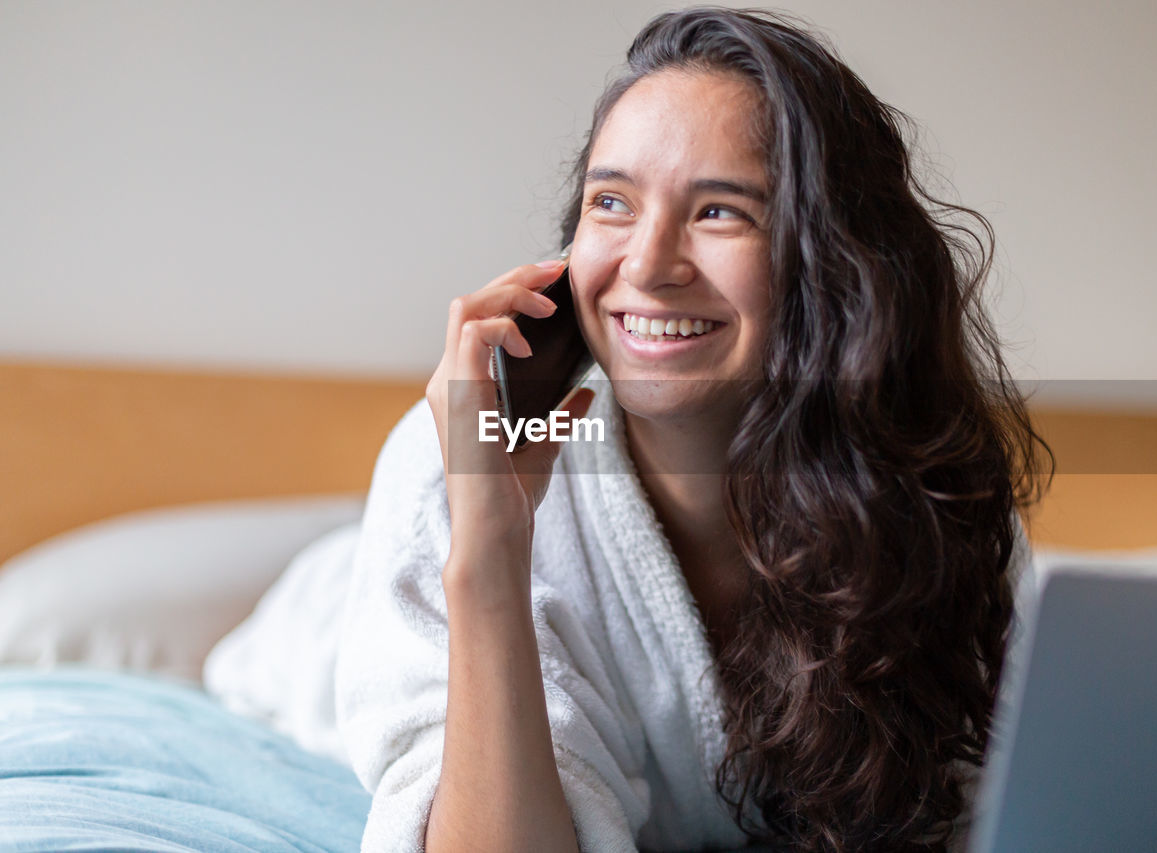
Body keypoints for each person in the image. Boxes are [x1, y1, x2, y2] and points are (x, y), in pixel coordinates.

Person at [334, 7, 1052, 852]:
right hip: (316, 629)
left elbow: (973, 807)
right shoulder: (449, 467)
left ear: (830, 261)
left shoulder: (932, 491)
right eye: (612, 202)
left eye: (720, 212)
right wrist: (488, 550)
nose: (645, 264)